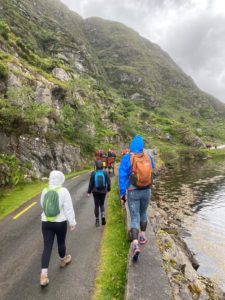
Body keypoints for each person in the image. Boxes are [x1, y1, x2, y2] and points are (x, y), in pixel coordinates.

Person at [119, 136, 154, 261]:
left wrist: (122, 193)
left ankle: (135, 244)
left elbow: (122, 176)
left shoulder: (127, 157)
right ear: (142, 146)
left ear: (131, 145)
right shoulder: (148, 156)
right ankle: (143, 236)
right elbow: (152, 170)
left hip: (133, 191)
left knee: (134, 216)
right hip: (147, 190)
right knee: (143, 213)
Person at [40, 170, 76, 287]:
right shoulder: (63, 191)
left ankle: (44, 275)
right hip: (60, 222)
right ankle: (63, 259)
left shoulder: (45, 190)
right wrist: (72, 222)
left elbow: (42, 204)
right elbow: (68, 208)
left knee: (47, 247)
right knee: (61, 242)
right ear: (61, 179)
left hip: (46, 222)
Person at [87, 160, 111, 227]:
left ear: (96, 166)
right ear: (102, 166)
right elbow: (108, 183)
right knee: (102, 204)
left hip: (95, 191)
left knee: (96, 205)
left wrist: (89, 192)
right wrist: (108, 190)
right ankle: (103, 217)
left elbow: (91, 184)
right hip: (103, 191)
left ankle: (97, 221)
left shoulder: (93, 173)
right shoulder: (105, 173)